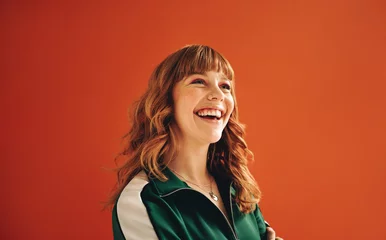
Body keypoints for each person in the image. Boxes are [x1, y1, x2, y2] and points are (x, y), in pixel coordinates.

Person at [107, 45, 282, 240]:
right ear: (166, 100)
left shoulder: (239, 189)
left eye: (225, 86)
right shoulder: (143, 201)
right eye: (198, 81)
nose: (218, 95)